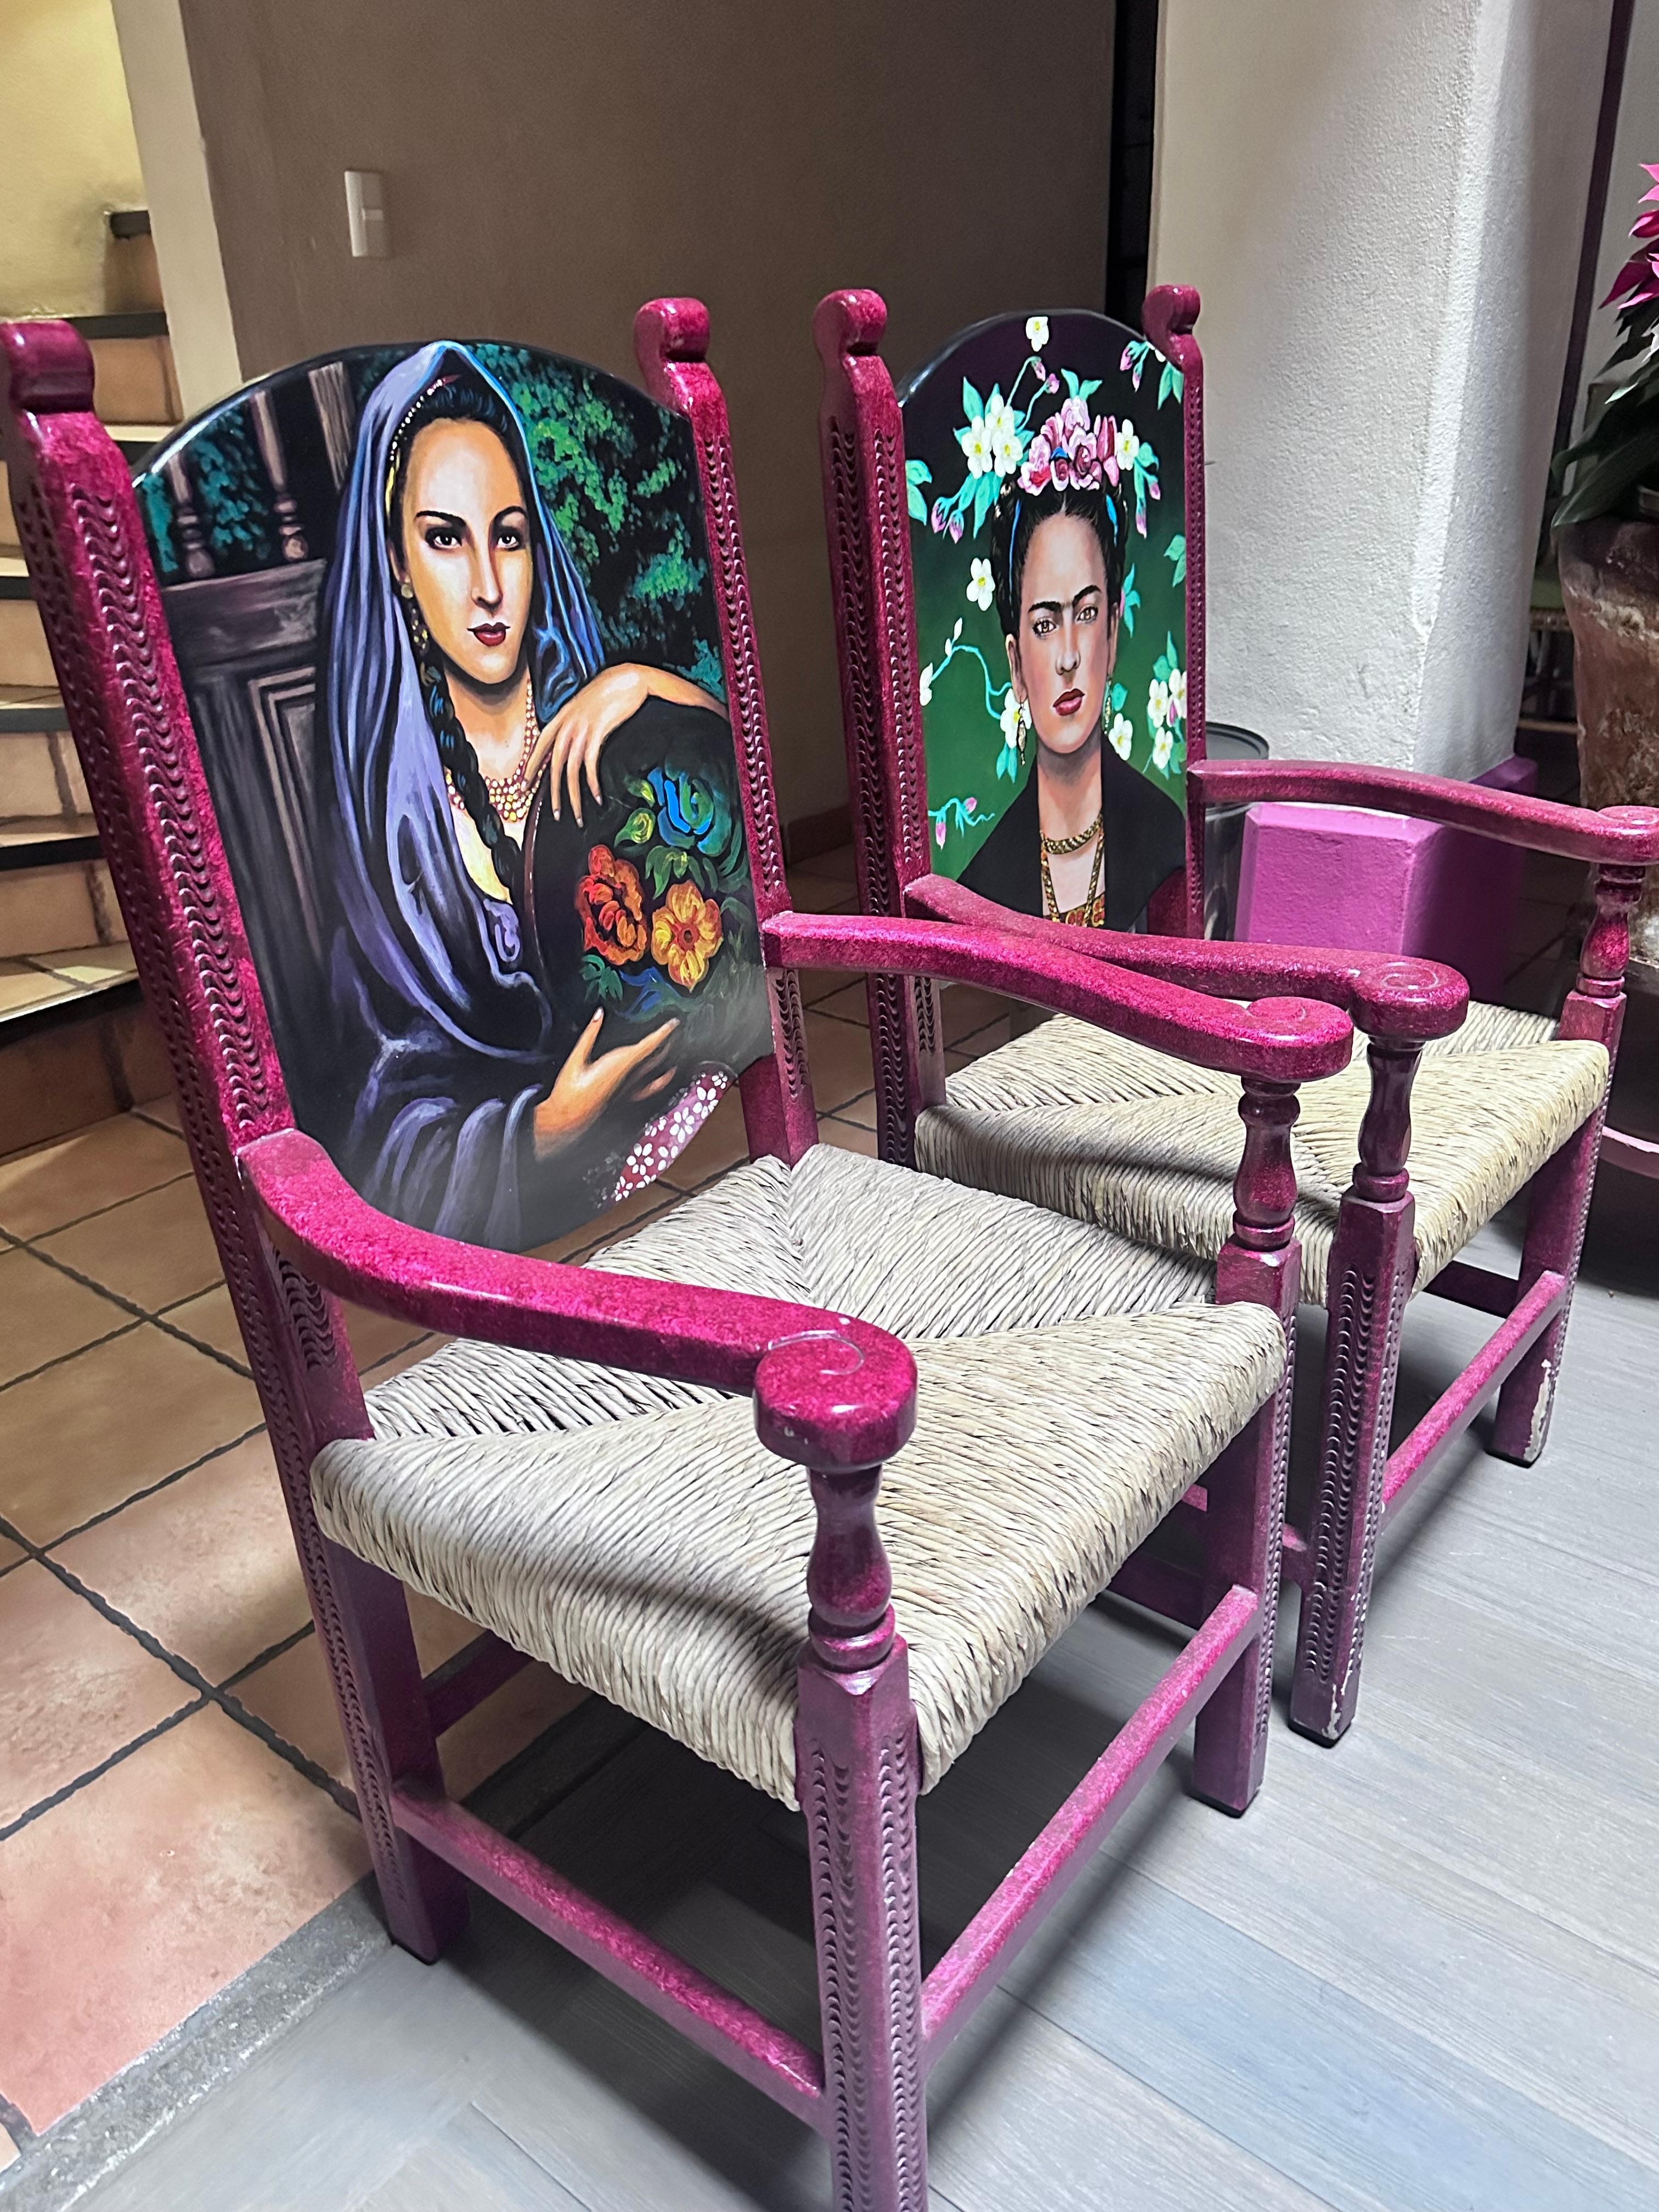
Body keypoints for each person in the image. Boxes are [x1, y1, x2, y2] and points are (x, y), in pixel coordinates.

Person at [317, 342, 731, 1247]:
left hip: (709, 1153)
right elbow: (382, 1130)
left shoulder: (599, 712)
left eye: (508, 535)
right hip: (520, 1245)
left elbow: (737, 825)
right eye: (445, 538)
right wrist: (542, 1131)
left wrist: (648, 687)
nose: (488, 587)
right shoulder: (396, 832)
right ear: (395, 562)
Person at [960, 420, 1184, 928]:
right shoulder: (983, 884)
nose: (1068, 657)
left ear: (1112, 634)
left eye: (1086, 614)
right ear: (1016, 664)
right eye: (1045, 624)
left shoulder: (1162, 833)